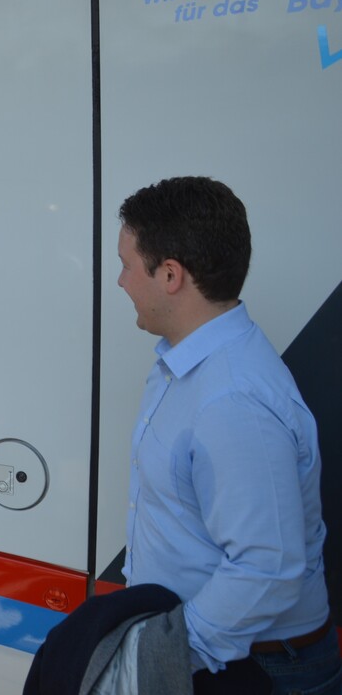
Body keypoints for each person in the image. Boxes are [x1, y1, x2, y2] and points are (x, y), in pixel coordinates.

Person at [116, 175, 338, 693]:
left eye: (127, 265)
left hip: (252, 669)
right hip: (228, 658)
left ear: (170, 274)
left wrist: (167, 656)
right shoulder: (189, 364)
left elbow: (267, 567)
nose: (121, 282)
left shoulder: (233, 399)